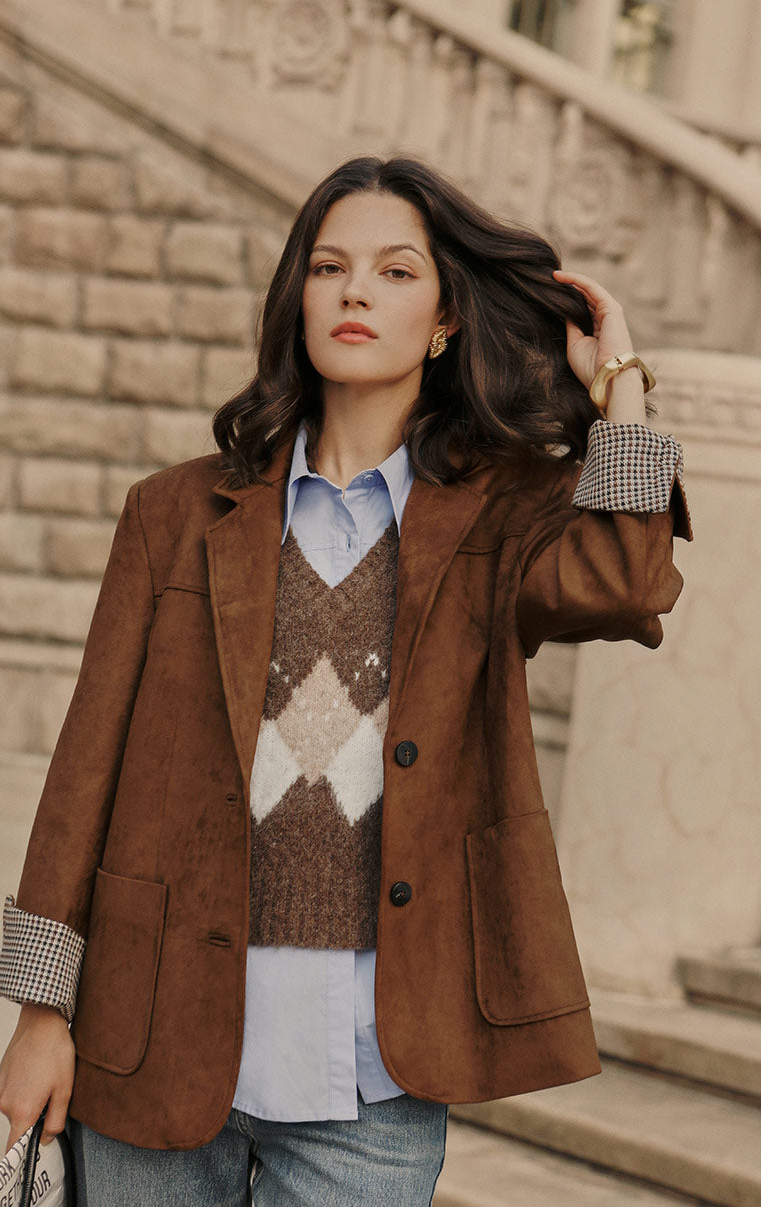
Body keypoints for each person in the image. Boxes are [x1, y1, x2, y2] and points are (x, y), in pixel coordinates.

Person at [0, 155, 690, 1204]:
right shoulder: (173, 514)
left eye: (395, 271)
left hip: (371, 1079)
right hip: (153, 1045)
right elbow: (83, 769)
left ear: (445, 320)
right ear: (299, 298)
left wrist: (620, 386)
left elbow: (625, 583)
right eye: (329, 268)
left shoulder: (497, 519)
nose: (355, 291)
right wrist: (41, 1015)